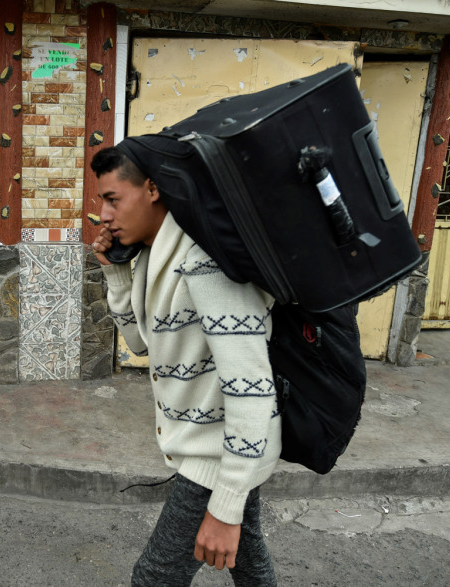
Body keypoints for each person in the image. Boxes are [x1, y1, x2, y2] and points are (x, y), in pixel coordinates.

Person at [90, 146, 281, 586]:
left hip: (214, 456)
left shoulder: (205, 263)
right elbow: (140, 343)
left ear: (152, 189)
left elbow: (253, 389)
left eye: (113, 199)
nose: (103, 215)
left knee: (154, 578)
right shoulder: (155, 258)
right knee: (250, 566)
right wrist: (116, 273)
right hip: (216, 449)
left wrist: (227, 504)